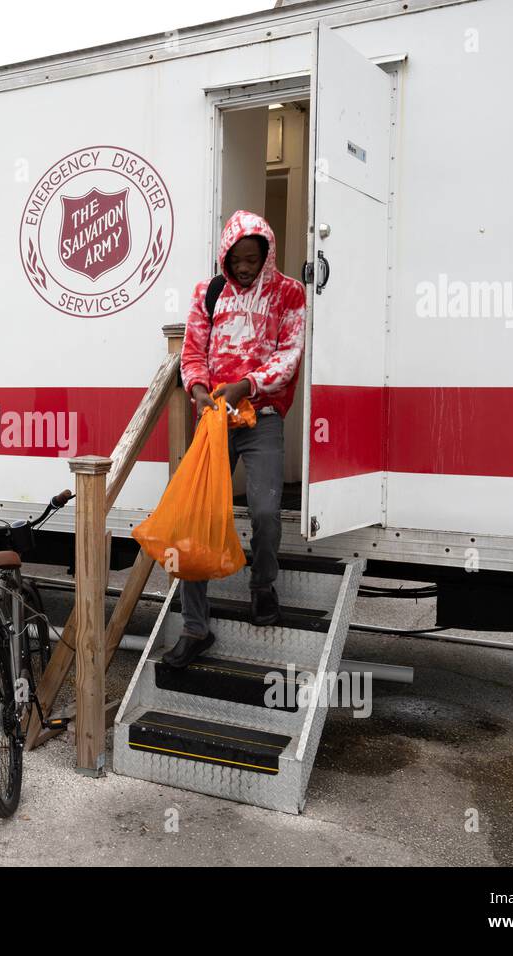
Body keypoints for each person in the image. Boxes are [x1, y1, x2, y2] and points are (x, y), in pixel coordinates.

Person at [163, 210, 306, 669]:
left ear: (266, 255)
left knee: (265, 511)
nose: (243, 267)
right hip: (214, 420)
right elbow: (192, 352)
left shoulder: (289, 293)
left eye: (252, 259)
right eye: (236, 259)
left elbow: (290, 355)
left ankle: (262, 586)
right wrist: (201, 392)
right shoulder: (209, 292)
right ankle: (194, 627)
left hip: (261, 416)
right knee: (198, 518)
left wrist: (247, 385)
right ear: (225, 256)